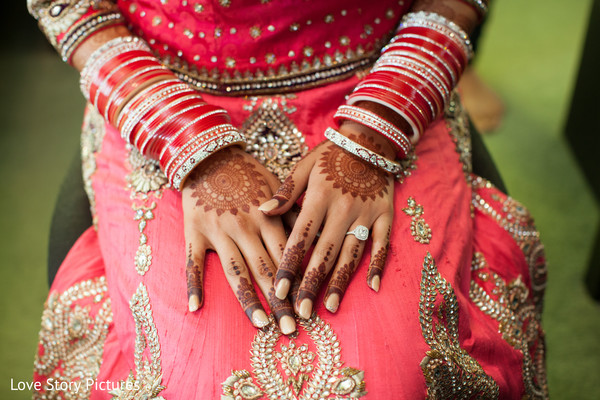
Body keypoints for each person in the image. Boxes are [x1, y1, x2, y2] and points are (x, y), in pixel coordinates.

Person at [28, 0, 548, 398]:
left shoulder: (380, 116)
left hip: (383, 78)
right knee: (192, 375)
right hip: (162, 91)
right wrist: (192, 147)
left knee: (400, 374)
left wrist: (377, 132)